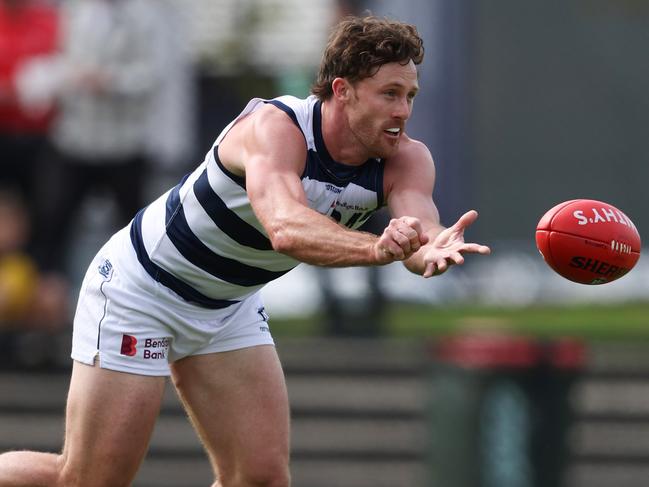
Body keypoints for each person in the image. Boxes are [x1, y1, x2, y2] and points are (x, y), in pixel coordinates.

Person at [0, 15, 490, 487]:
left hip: (228, 305)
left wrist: (430, 249)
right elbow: (286, 227)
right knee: (92, 478)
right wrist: (378, 247)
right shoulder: (276, 128)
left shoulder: (407, 158)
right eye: (389, 94)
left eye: (409, 95)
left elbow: (420, 233)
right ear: (343, 90)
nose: (403, 111)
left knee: (260, 477)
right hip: (142, 291)